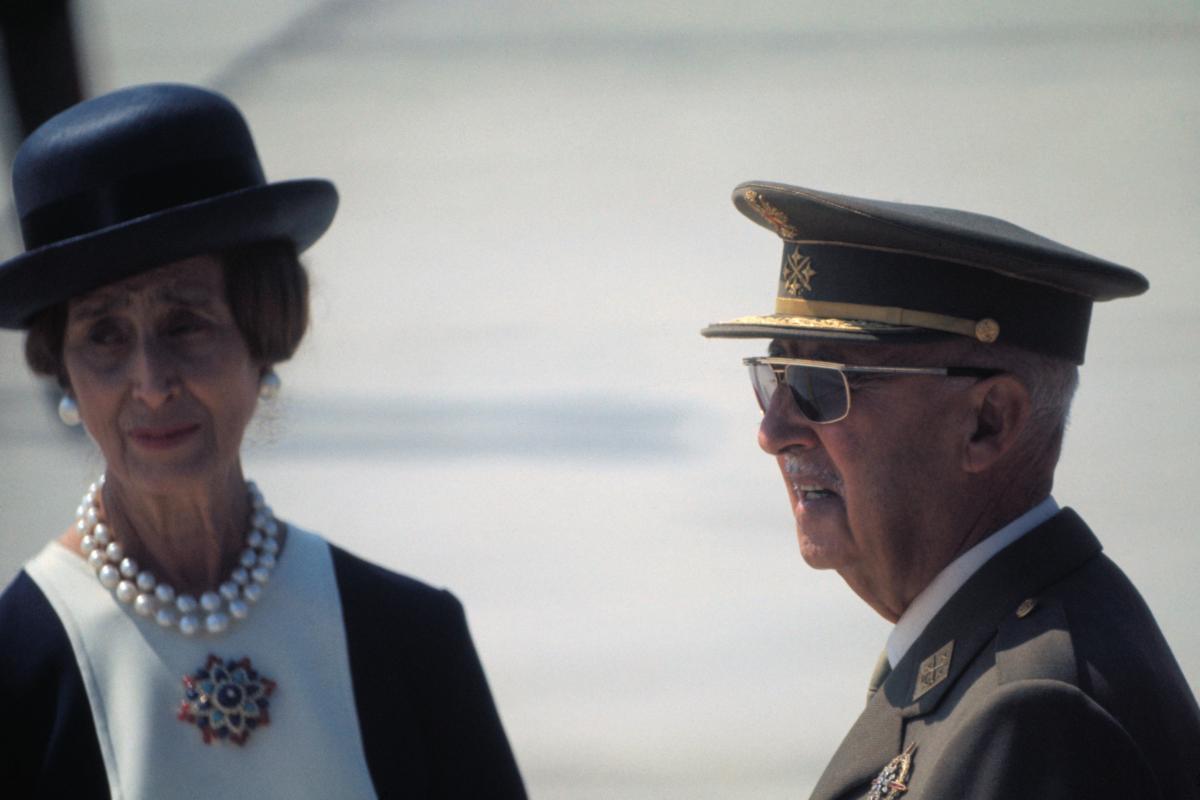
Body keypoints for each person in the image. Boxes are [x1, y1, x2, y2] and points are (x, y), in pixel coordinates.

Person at [0, 83, 526, 798]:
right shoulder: (16, 669)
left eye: (186, 324)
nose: (150, 382)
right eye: (104, 335)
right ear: (63, 369)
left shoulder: (408, 639)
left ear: (264, 331)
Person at [702, 181, 1200, 799]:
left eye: (820, 385)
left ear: (988, 422)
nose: (773, 433)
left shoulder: (1034, 713)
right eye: (775, 376)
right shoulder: (987, 656)